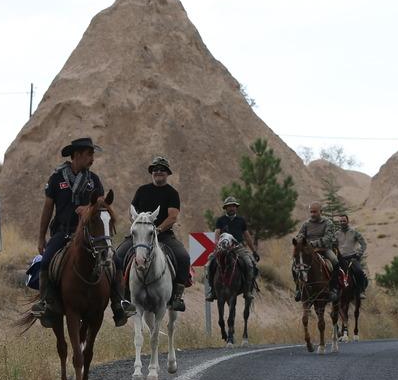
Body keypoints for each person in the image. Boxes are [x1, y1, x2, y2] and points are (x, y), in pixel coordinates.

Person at [32, 137, 133, 327]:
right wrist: (41, 237)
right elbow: (47, 209)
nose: (92, 158)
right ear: (77, 155)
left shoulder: (93, 179)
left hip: (90, 235)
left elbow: (101, 204)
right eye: (89, 154)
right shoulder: (56, 178)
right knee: (46, 261)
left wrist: (87, 208)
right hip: (63, 232)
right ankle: (45, 303)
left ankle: (119, 304)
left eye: (92, 154)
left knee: (116, 261)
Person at [113, 155, 191, 312]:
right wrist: (139, 224)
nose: (158, 172)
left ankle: (177, 296)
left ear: (167, 173)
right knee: (118, 256)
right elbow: (132, 212)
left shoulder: (172, 193)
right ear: (152, 172)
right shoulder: (142, 190)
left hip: (163, 234)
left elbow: (172, 216)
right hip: (141, 235)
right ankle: (122, 296)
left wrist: (157, 229)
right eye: (155, 169)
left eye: (162, 169)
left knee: (183, 257)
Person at [204, 196, 258, 301]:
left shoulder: (241, 220)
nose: (231, 208)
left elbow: (247, 236)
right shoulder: (220, 220)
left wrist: (254, 251)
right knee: (210, 263)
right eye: (229, 206)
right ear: (225, 208)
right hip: (223, 248)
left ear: (236, 207)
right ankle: (212, 291)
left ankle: (247, 290)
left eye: (233, 206)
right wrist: (216, 247)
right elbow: (217, 234)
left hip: (238, 247)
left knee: (249, 264)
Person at [294, 202, 340, 302]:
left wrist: (312, 244)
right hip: (308, 251)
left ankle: (333, 289)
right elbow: (300, 235)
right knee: (295, 265)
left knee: (336, 262)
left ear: (321, 212)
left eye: (315, 212)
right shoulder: (306, 224)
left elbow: (328, 238)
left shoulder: (328, 223)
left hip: (324, 250)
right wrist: (300, 240)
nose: (312, 214)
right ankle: (298, 289)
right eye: (311, 212)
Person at [334, 213, 368, 296]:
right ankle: (332, 292)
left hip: (352, 258)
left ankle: (361, 291)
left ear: (347, 221)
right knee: (331, 272)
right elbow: (332, 245)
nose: (342, 222)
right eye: (341, 221)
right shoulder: (336, 234)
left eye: (344, 221)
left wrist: (359, 253)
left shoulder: (354, 232)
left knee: (359, 271)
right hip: (340, 259)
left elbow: (363, 244)